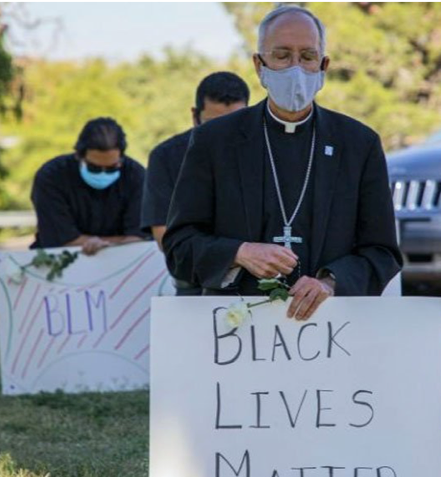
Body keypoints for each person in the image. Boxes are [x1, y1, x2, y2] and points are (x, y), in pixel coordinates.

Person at [163, 5, 401, 321]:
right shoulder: (214, 141)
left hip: (332, 330)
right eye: (282, 55)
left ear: (324, 65)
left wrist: (330, 282)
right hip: (236, 333)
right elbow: (180, 246)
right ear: (259, 64)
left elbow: (382, 252)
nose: (295, 68)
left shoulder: (359, 144)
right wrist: (239, 253)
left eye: (307, 56)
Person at [141, 71, 250, 295]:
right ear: (195, 115)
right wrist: (233, 254)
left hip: (255, 284)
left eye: (233, 123)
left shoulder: (262, 151)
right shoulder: (166, 156)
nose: (223, 134)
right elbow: (165, 236)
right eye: (213, 124)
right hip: (195, 284)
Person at [31, 117, 147, 254]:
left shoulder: (136, 175)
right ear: (79, 156)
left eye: (111, 168)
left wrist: (99, 244)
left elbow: (139, 238)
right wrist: (117, 242)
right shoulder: (51, 176)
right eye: (94, 168)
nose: (103, 174)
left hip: (122, 262)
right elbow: (59, 240)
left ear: (121, 158)